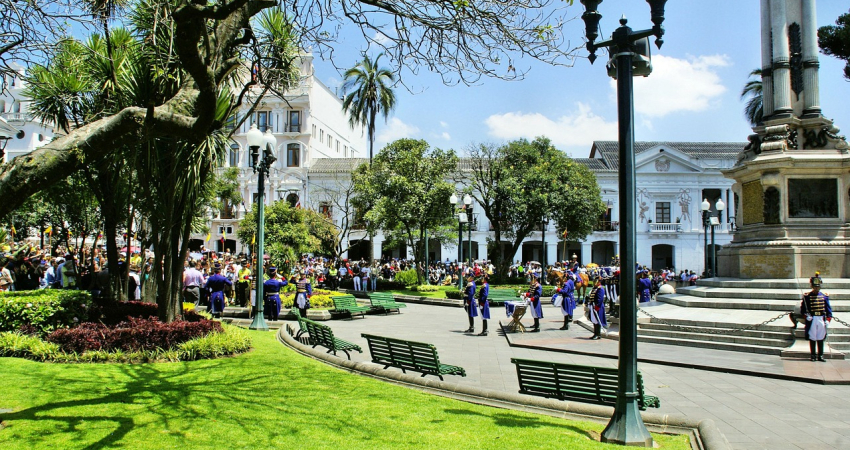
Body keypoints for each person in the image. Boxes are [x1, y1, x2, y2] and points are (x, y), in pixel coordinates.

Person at [801, 277, 832, 362]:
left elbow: (828, 310)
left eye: (818, 287)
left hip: (821, 318)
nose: (816, 288)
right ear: (812, 286)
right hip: (812, 319)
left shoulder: (824, 296)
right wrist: (806, 316)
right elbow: (803, 309)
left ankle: (821, 355)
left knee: (820, 337)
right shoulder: (807, 296)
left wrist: (828, 320)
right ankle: (813, 355)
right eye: (815, 287)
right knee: (812, 337)